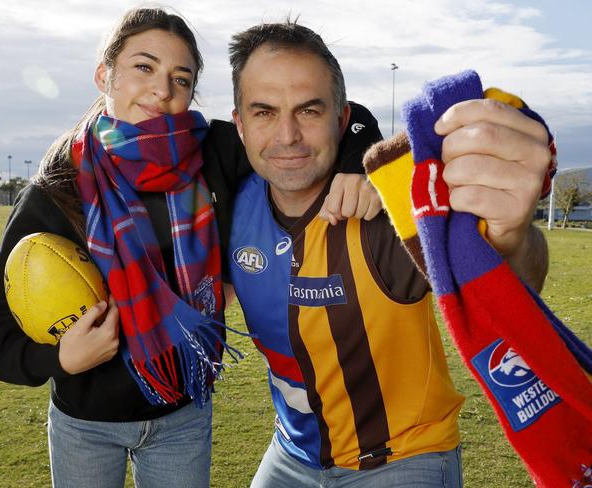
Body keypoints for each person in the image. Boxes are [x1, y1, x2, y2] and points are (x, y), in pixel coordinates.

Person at [0, 8, 380, 488]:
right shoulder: (59, 185)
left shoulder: (214, 148)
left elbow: (343, 118)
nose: (162, 90)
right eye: (144, 67)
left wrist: (357, 166)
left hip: (182, 416)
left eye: (181, 78)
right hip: (84, 423)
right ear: (104, 75)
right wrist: (60, 361)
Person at [226, 21, 551, 487]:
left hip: (404, 457)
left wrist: (514, 232)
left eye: (309, 111)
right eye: (263, 112)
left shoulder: (386, 210)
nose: (288, 135)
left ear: (342, 119)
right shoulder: (227, 203)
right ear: (239, 124)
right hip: (291, 454)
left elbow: (512, 278)